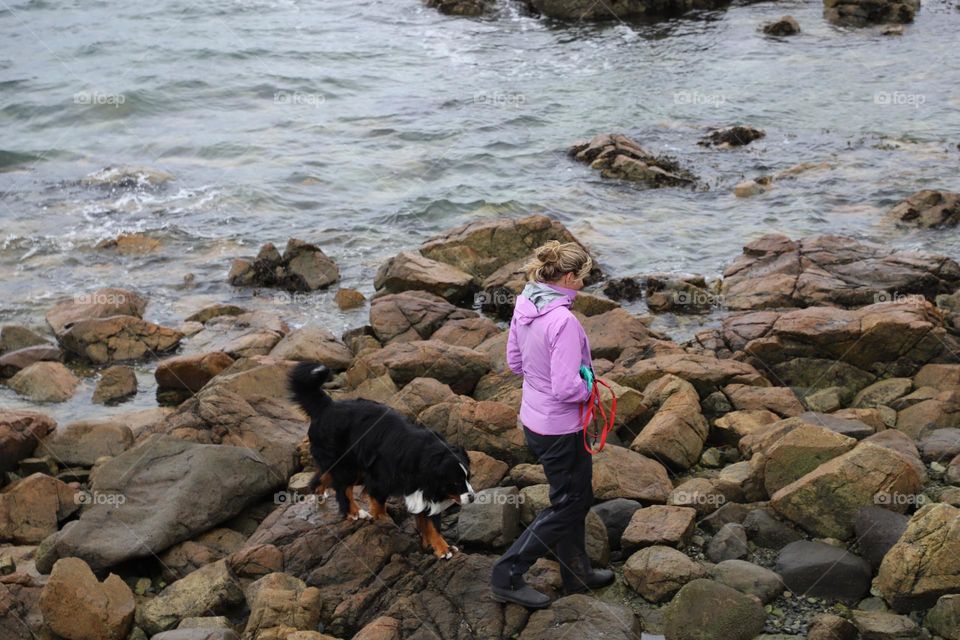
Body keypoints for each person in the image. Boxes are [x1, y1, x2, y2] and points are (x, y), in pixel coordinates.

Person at [489, 240, 614, 609]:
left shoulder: (526, 302)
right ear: (571, 276)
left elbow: (515, 363)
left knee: (569, 498)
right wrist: (589, 384)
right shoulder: (564, 321)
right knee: (571, 504)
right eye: (584, 277)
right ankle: (507, 574)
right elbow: (566, 388)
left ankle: (577, 572)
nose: (585, 284)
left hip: (534, 420)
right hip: (561, 427)